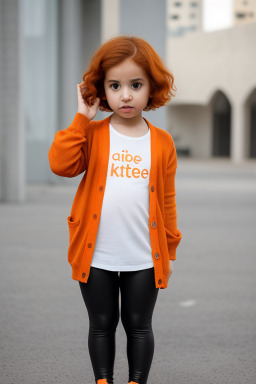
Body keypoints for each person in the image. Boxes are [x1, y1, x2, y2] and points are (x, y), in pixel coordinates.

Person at [48, 35, 182, 384]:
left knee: (139, 326)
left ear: (151, 87)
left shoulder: (162, 142)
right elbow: (60, 165)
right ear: (100, 90)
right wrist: (81, 117)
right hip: (97, 254)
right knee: (101, 324)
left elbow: (166, 199)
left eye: (135, 84)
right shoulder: (91, 134)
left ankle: (137, 380)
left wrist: (168, 246)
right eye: (115, 85)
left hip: (142, 254)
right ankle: (103, 380)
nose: (125, 94)